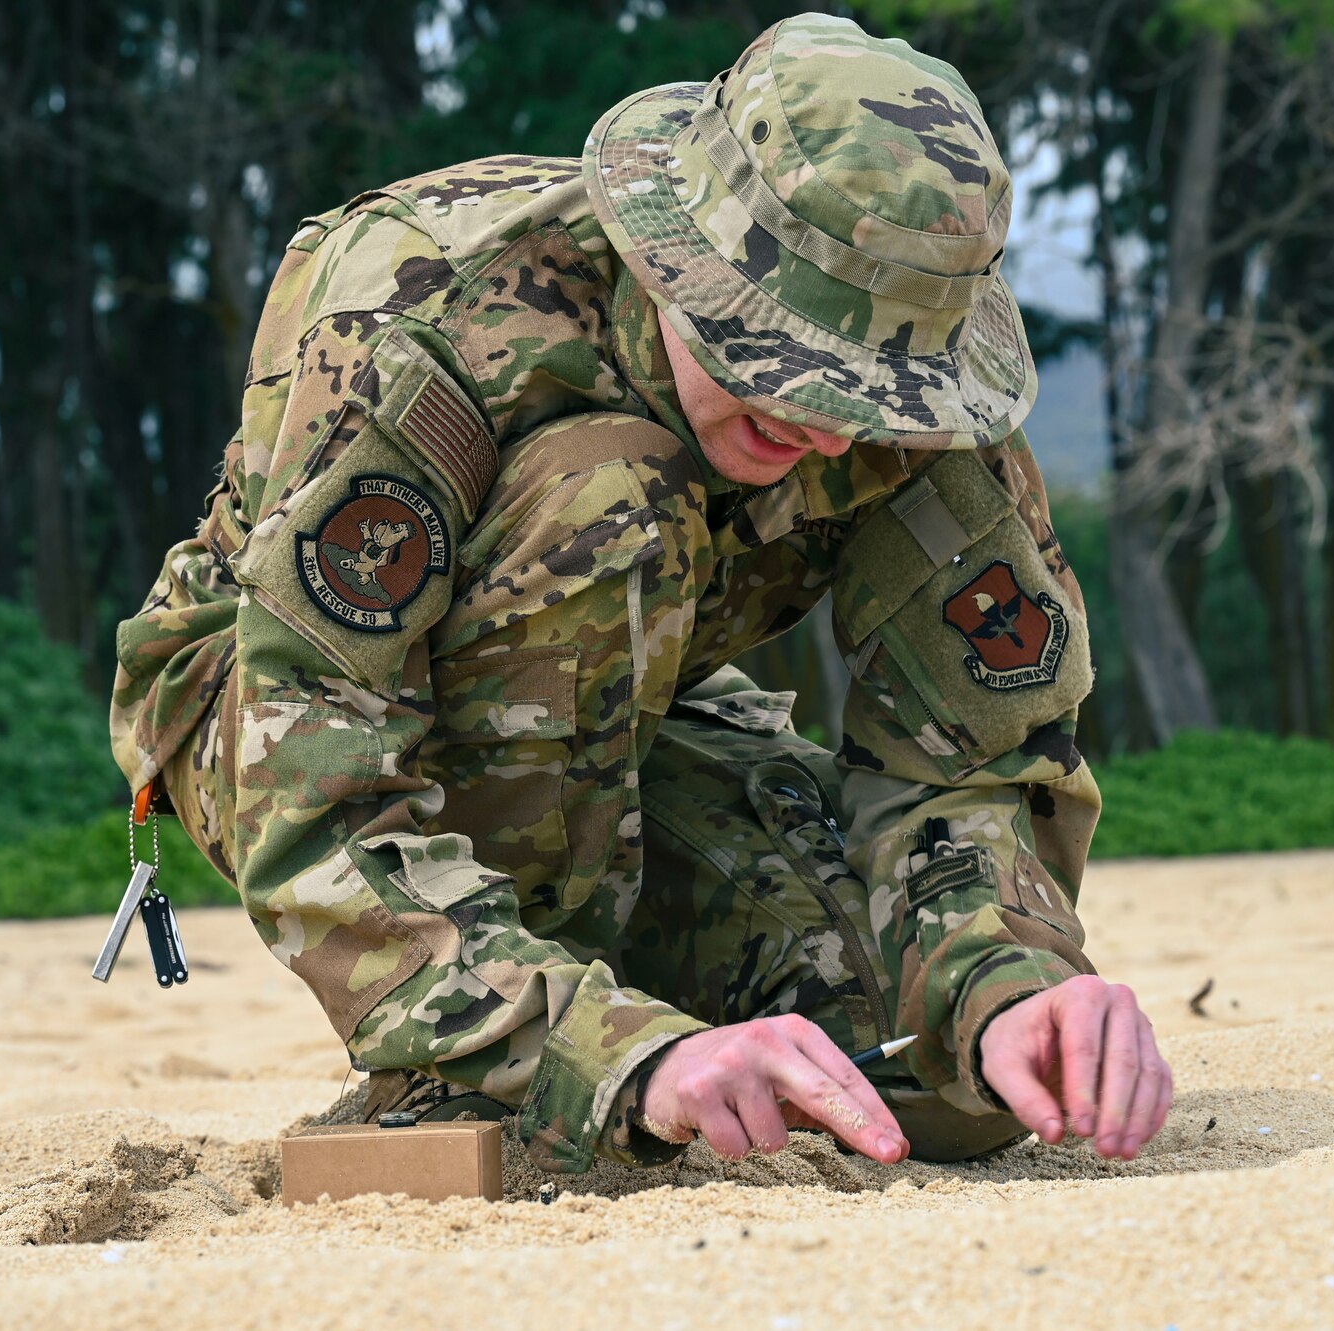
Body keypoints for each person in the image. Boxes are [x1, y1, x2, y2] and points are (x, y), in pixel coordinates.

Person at [110, 12, 1172, 1174]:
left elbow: (968, 762)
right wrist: (616, 1053)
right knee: (610, 490)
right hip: (274, 710)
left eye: (861, 388)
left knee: (931, 1076)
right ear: (675, 256)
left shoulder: (923, 398)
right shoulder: (427, 319)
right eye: (767, 353)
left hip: (629, 717)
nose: (817, 421)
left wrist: (1008, 979)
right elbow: (308, 773)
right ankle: (479, 1058)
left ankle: (615, 1037)